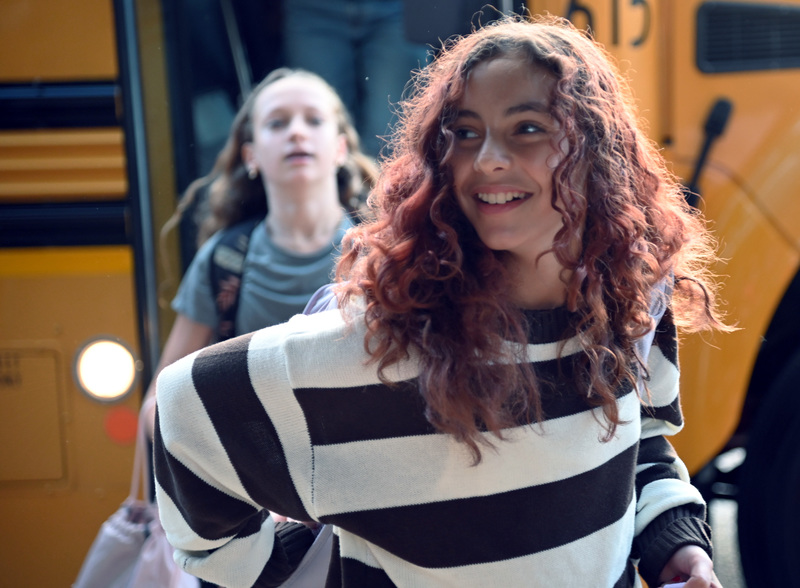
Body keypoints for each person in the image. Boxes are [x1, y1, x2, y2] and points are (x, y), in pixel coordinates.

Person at [153, 15, 729, 588]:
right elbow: (183, 416)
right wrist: (293, 568)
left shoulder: (633, 309)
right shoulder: (374, 349)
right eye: (465, 132)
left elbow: (645, 443)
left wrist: (671, 543)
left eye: (528, 127)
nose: (487, 160)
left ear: (598, 151)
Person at [143, 66, 377, 418]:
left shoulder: (384, 249)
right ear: (250, 155)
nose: (297, 132)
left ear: (340, 148)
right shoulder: (222, 259)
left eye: (313, 120)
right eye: (277, 123)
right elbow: (157, 404)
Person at [282, 0, 429, 157]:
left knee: (390, 138)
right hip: (312, 10)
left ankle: (379, 181)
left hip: (397, 9)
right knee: (322, 133)